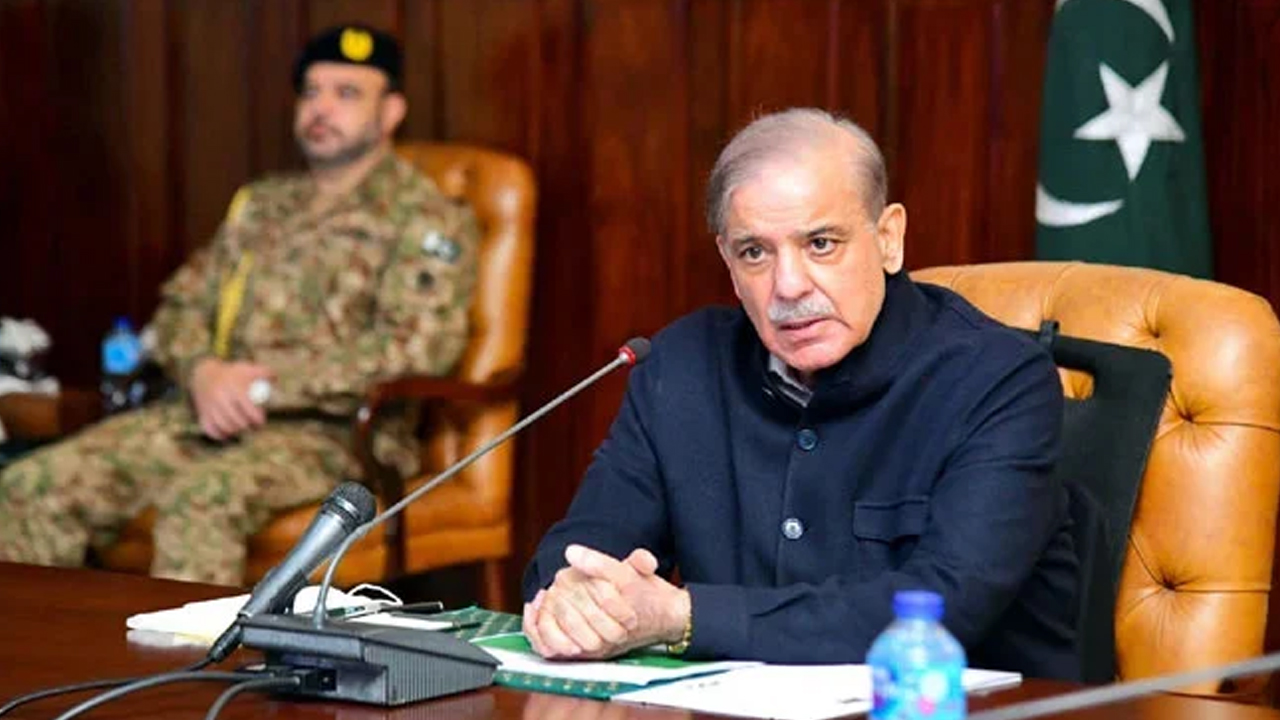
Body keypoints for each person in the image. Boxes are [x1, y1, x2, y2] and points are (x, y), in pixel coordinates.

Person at [521, 108, 1079, 679]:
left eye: (821, 243)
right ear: (728, 262)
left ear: (889, 239)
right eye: (755, 253)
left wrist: (684, 617)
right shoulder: (680, 366)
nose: (788, 286)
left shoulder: (999, 379)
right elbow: (584, 548)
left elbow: (945, 603)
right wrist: (574, 597)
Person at [0, 25, 478, 586]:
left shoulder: (426, 217)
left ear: (391, 111)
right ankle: (48, 644)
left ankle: (190, 651)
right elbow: (181, 307)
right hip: (204, 413)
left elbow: (417, 348)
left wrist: (260, 387)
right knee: (28, 487)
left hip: (336, 437)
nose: (321, 108)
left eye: (347, 93)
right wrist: (203, 373)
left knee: (201, 502)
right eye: (311, 92)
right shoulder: (261, 205)